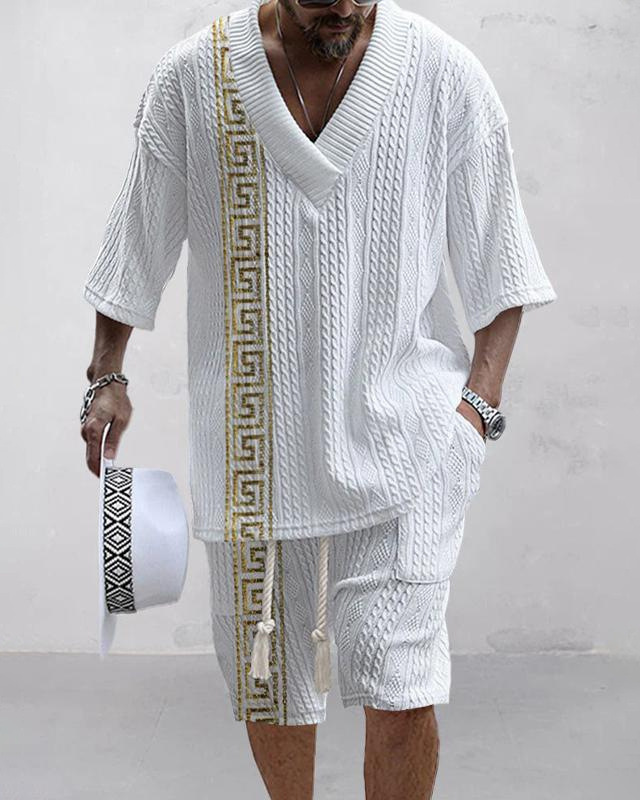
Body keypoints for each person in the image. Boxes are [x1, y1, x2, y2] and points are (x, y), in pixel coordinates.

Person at [80, 0, 557, 796]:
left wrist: (476, 413)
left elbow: (502, 262)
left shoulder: (444, 76)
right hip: (252, 452)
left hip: (408, 450)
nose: (340, 7)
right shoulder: (194, 79)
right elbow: (135, 240)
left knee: (401, 684)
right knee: (270, 685)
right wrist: (107, 376)